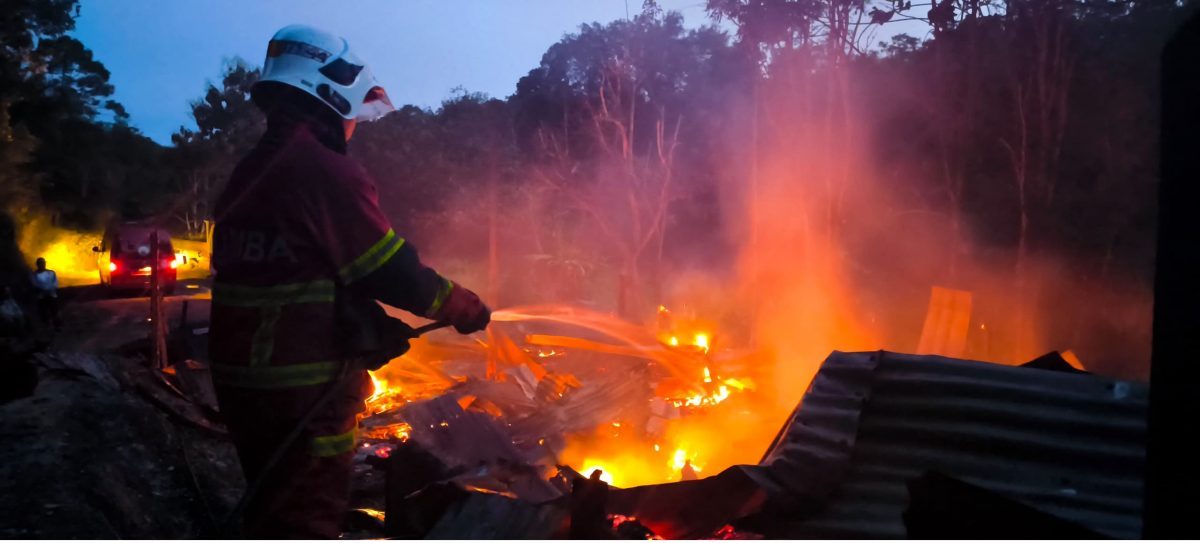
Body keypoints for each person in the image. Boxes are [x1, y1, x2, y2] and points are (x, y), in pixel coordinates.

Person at [208, 25, 490, 538]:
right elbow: (390, 269)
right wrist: (460, 305)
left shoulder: (254, 168)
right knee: (307, 516)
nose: (355, 127)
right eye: (353, 114)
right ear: (330, 93)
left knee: (271, 502)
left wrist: (359, 318)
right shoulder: (322, 170)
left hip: (241, 380)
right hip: (302, 387)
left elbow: (292, 272)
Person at [30, 258, 60, 330]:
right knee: (44, 313)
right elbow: (35, 285)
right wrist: (44, 290)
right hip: (41, 297)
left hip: (52, 295)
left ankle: (57, 326)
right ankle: (47, 326)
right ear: (37, 264)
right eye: (40, 263)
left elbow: (55, 283)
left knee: (54, 311)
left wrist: (51, 289)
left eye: (43, 263)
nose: (42, 264)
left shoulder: (51, 272)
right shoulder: (34, 275)